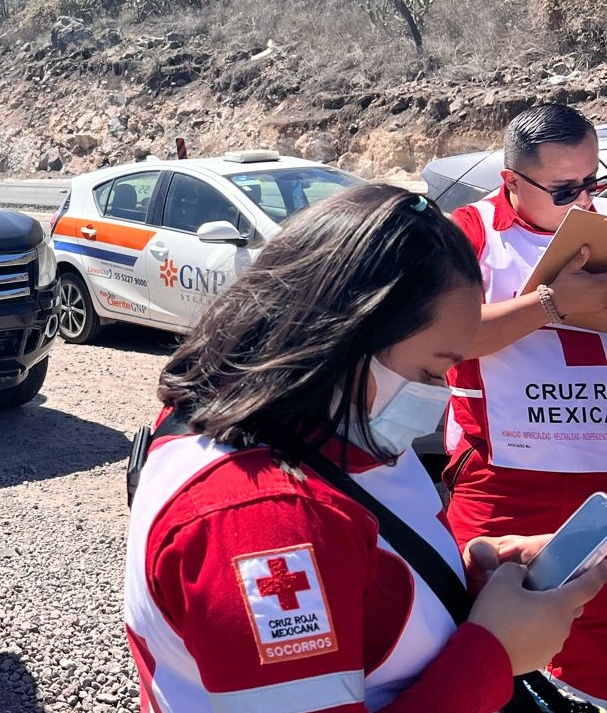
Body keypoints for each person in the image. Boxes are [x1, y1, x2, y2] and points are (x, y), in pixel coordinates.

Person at [124, 183, 607, 712]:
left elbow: (351, 571)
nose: (439, 393)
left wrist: (458, 578)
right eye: (432, 369)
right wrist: (494, 652)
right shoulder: (263, 520)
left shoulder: (296, 421)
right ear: (346, 333)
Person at [443, 102, 607, 701]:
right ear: (511, 180)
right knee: (493, 652)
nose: (585, 201)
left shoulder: (599, 223)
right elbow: (439, 335)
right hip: (505, 481)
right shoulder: (469, 232)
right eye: (566, 188)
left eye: (594, 180)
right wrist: (550, 306)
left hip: (602, 477)